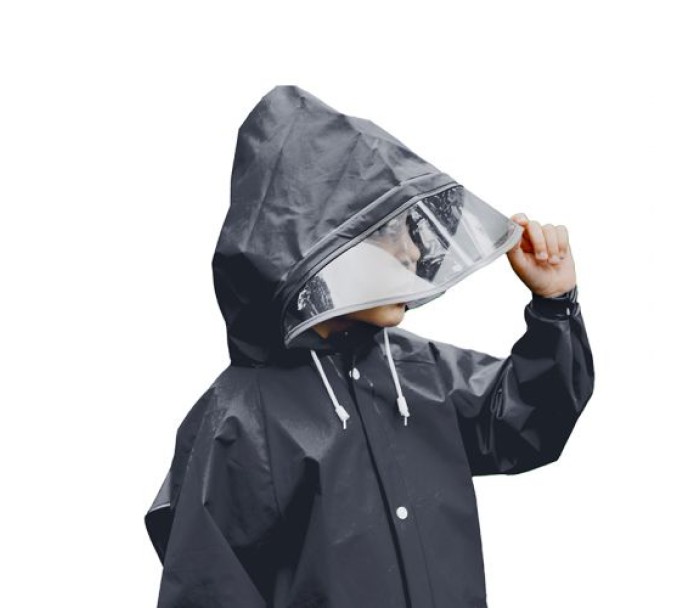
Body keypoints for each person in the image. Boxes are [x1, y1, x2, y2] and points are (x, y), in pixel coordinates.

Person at [145, 85, 594, 608]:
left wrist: (554, 306)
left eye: (409, 229)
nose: (413, 252)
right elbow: (207, 592)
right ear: (314, 245)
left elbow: (526, 423)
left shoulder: (419, 371)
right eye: (384, 233)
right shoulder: (238, 422)